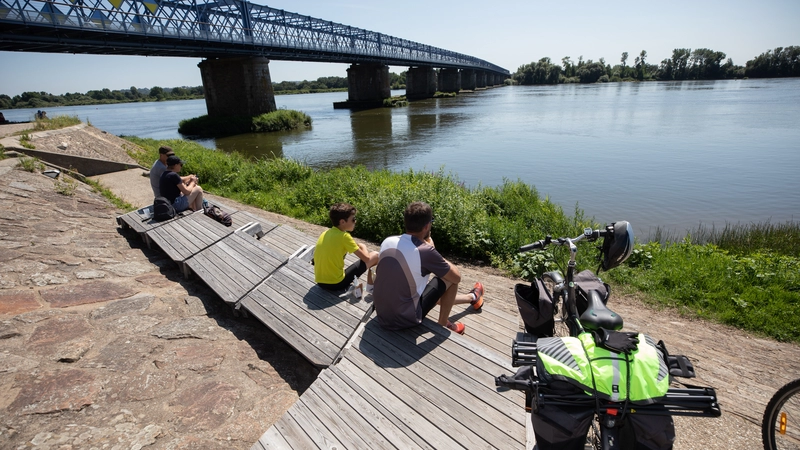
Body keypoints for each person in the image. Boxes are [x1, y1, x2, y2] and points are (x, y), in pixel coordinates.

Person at [372, 201, 484, 335]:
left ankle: (471, 297)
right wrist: (432, 250)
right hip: (404, 319)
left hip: (381, 313)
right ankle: (443, 323)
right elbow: (456, 277)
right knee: (449, 280)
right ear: (427, 226)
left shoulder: (388, 241)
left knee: (427, 286)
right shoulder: (424, 251)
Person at [314, 203, 379, 293]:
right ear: (342, 222)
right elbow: (367, 259)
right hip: (336, 283)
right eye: (353, 219)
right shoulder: (344, 236)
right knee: (376, 255)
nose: (355, 222)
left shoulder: (325, 233)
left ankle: (370, 287)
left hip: (320, 281)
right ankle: (371, 288)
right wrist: (364, 246)